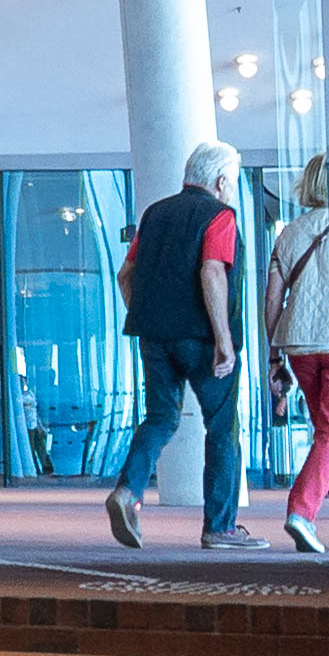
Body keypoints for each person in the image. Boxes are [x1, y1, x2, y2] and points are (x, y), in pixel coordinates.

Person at [106, 140, 260, 551]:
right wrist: (224, 340)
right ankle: (220, 528)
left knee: (160, 418)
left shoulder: (154, 215)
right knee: (223, 429)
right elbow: (212, 271)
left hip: (154, 338)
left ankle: (128, 491)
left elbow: (125, 275)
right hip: (202, 339)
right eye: (233, 182)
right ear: (221, 181)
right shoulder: (220, 216)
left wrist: (150, 316)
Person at [266, 155, 329, 552]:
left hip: (297, 344)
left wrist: (273, 357)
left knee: (325, 434)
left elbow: (272, 299)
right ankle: (301, 512)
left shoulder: (288, 234)